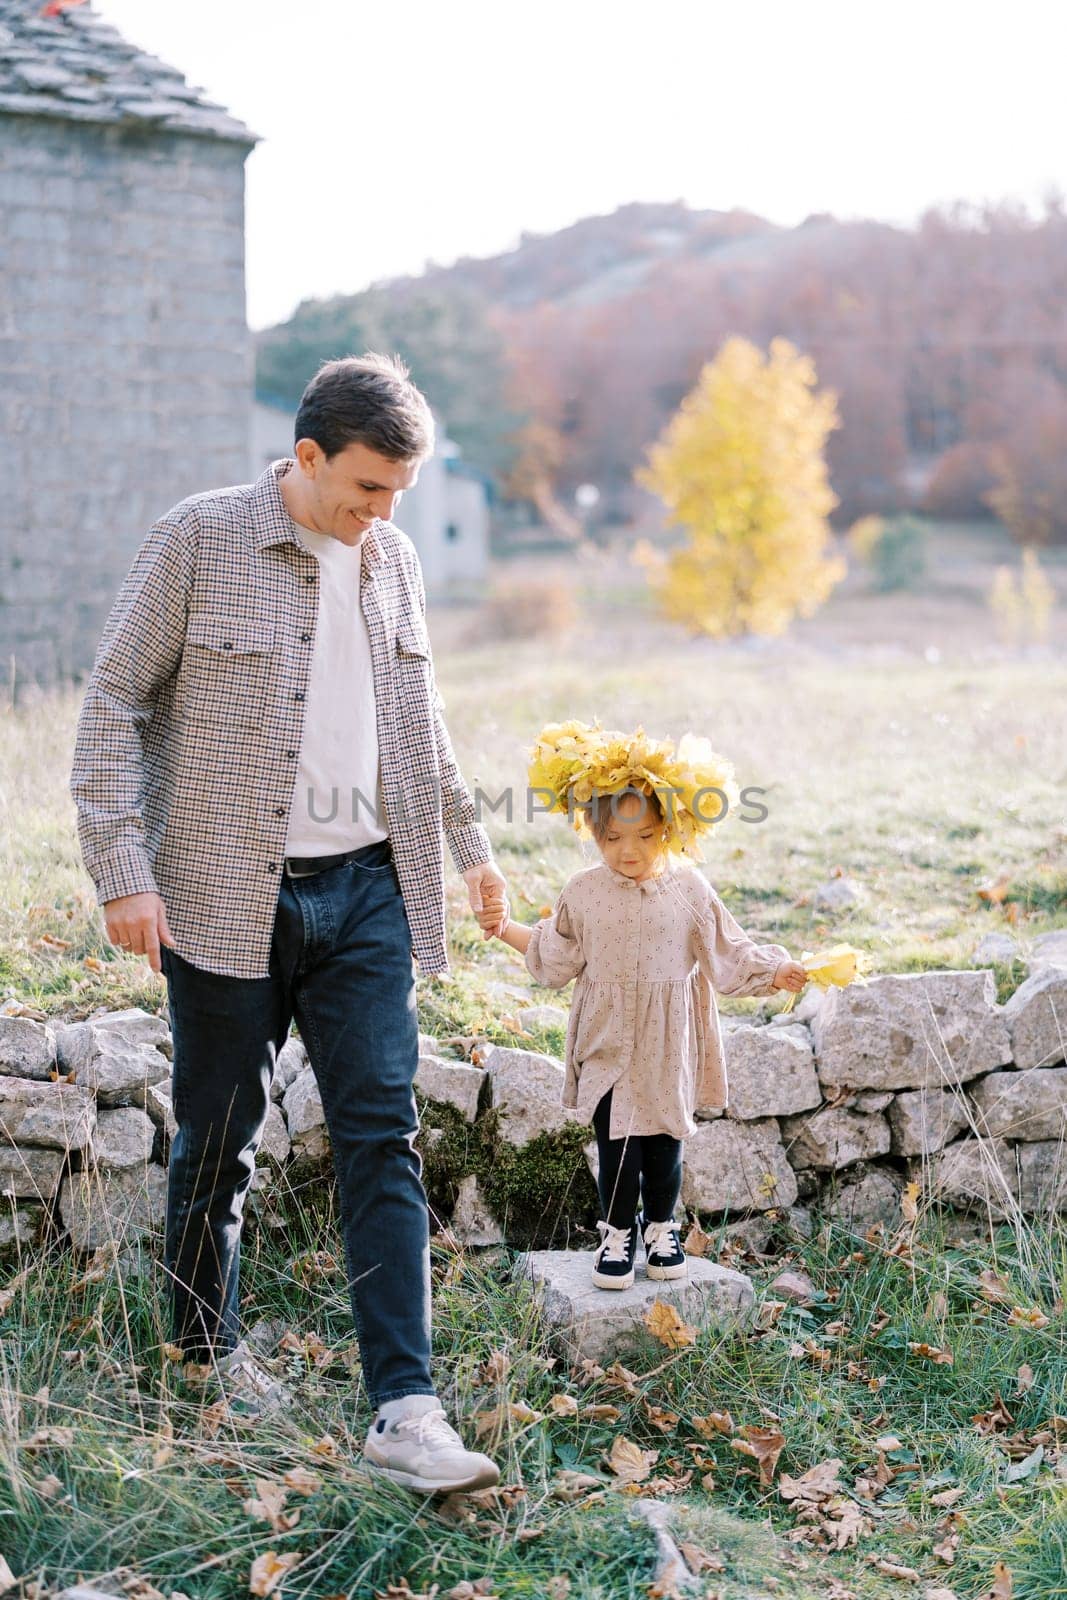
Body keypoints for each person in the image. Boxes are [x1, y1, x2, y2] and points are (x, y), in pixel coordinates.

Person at [69, 353, 508, 1494]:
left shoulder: (395, 557)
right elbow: (112, 698)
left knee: (383, 1132)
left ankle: (405, 1408)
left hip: (365, 888)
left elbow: (422, 721)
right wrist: (121, 868)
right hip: (223, 891)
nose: (381, 517)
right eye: (365, 490)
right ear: (306, 458)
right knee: (217, 1140)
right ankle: (201, 1354)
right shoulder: (197, 540)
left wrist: (471, 848)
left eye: (398, 496)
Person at [483, 720, 807, 1290]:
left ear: (673, 829)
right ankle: (617, 1232)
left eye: (646, 836)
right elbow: (553, 956)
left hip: (667, 1041)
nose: (628, 851)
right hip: (607, 1039)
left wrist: (774, 972)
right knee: (616, 1147)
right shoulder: (583, 892)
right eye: (613, 839)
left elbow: (728, 953)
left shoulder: (690, 892)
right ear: (593, 831)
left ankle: (661, 1227)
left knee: (662, 1146)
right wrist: (503, 927)